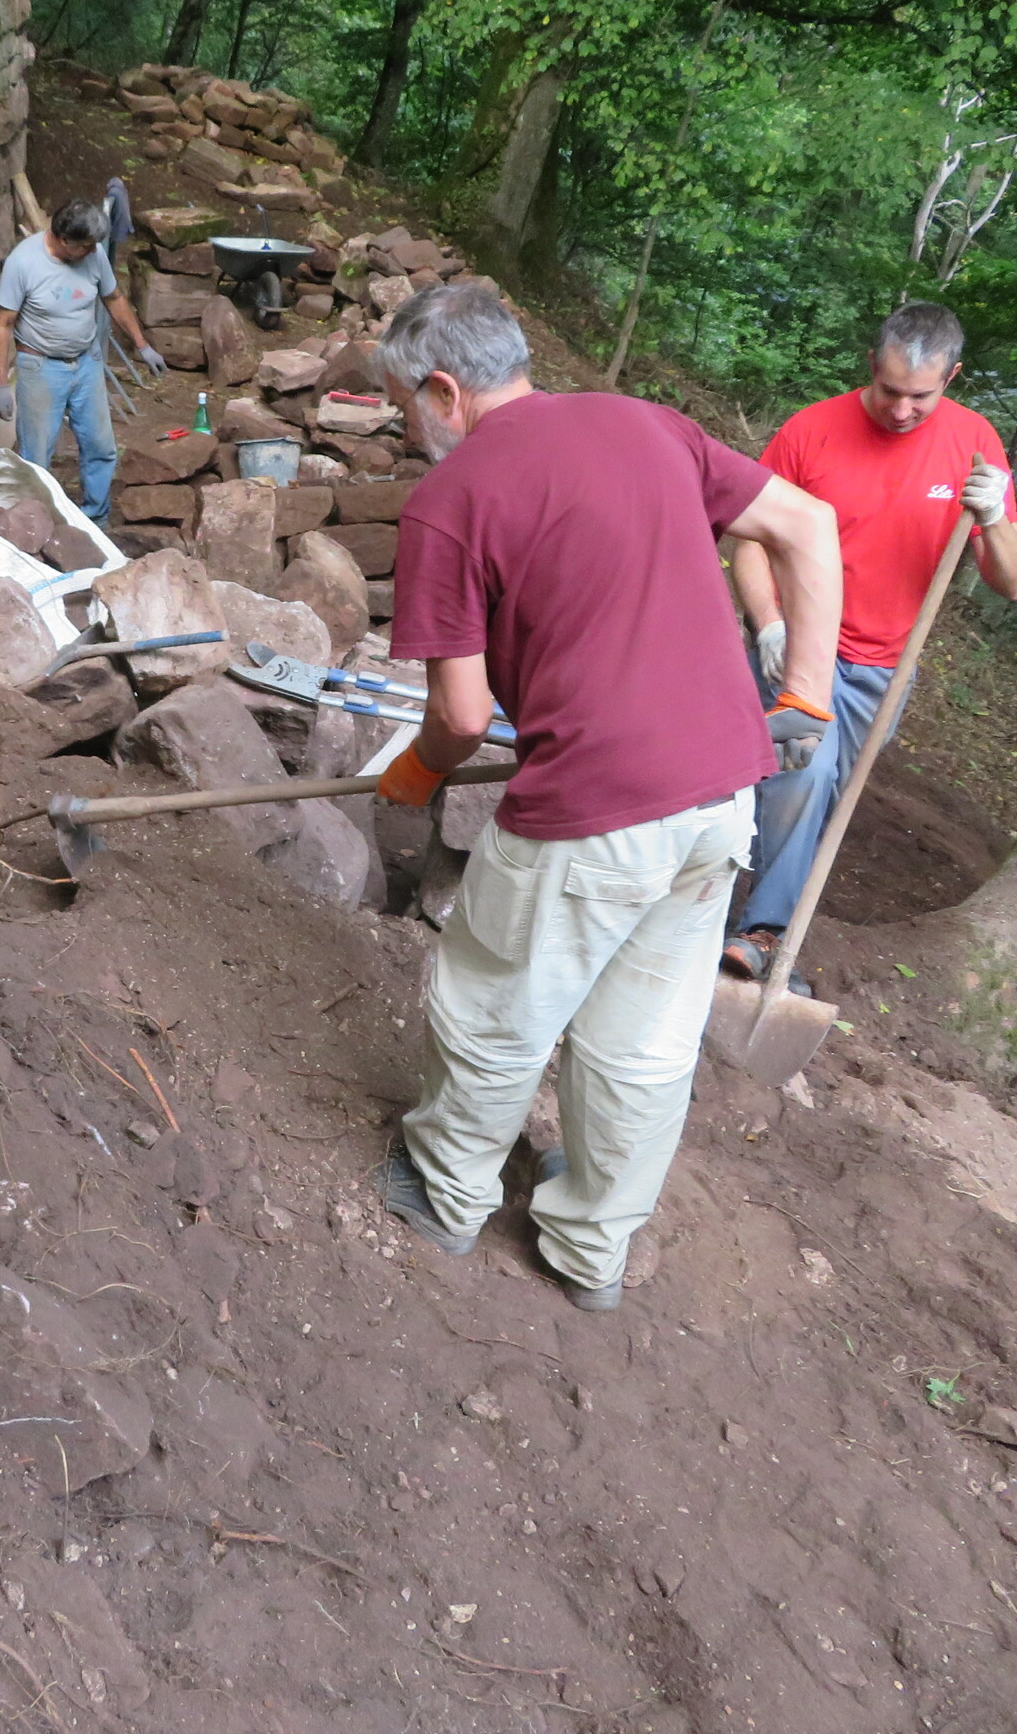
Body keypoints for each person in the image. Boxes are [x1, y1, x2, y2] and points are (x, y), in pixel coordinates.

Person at [369, 285, 843, 1310]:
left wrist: (417, 773)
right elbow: (808, 523)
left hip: (594, 806)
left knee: (496, 1005)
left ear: (444, 390)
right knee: (644, 1043)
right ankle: (589, 1249)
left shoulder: (450, 502)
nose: (410, 433)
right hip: (720, 800)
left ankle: (446, 1196)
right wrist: (807, 691)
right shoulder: (647, 424)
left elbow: (461, 714)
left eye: (407, 408)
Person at [722, 301, 1017, 982]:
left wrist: (995, 517)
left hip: (887, 668)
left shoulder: (974, 443)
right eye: (890, 390)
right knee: (800, 770)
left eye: (920, 396)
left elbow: (1013, 583)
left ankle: (746, 924)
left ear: (951, 377)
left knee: (821, 800)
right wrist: (768, 623)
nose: (900, 409)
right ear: (871, 364)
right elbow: (748, 538)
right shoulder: (812, 430)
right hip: (803, 646)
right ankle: (761, 933)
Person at [0, 200, 164, 521]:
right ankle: (35, 525)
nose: (91, 251)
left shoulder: (93, 254)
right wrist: (0, 385)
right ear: (63, 239)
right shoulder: (23, 263)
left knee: (101, 447)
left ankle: (96, 518)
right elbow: (3, 324)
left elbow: (114, 298)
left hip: (86, 363)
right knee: (36, 457)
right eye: (84, 246)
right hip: (41, 367)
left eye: (94, 245)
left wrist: (143, 346)